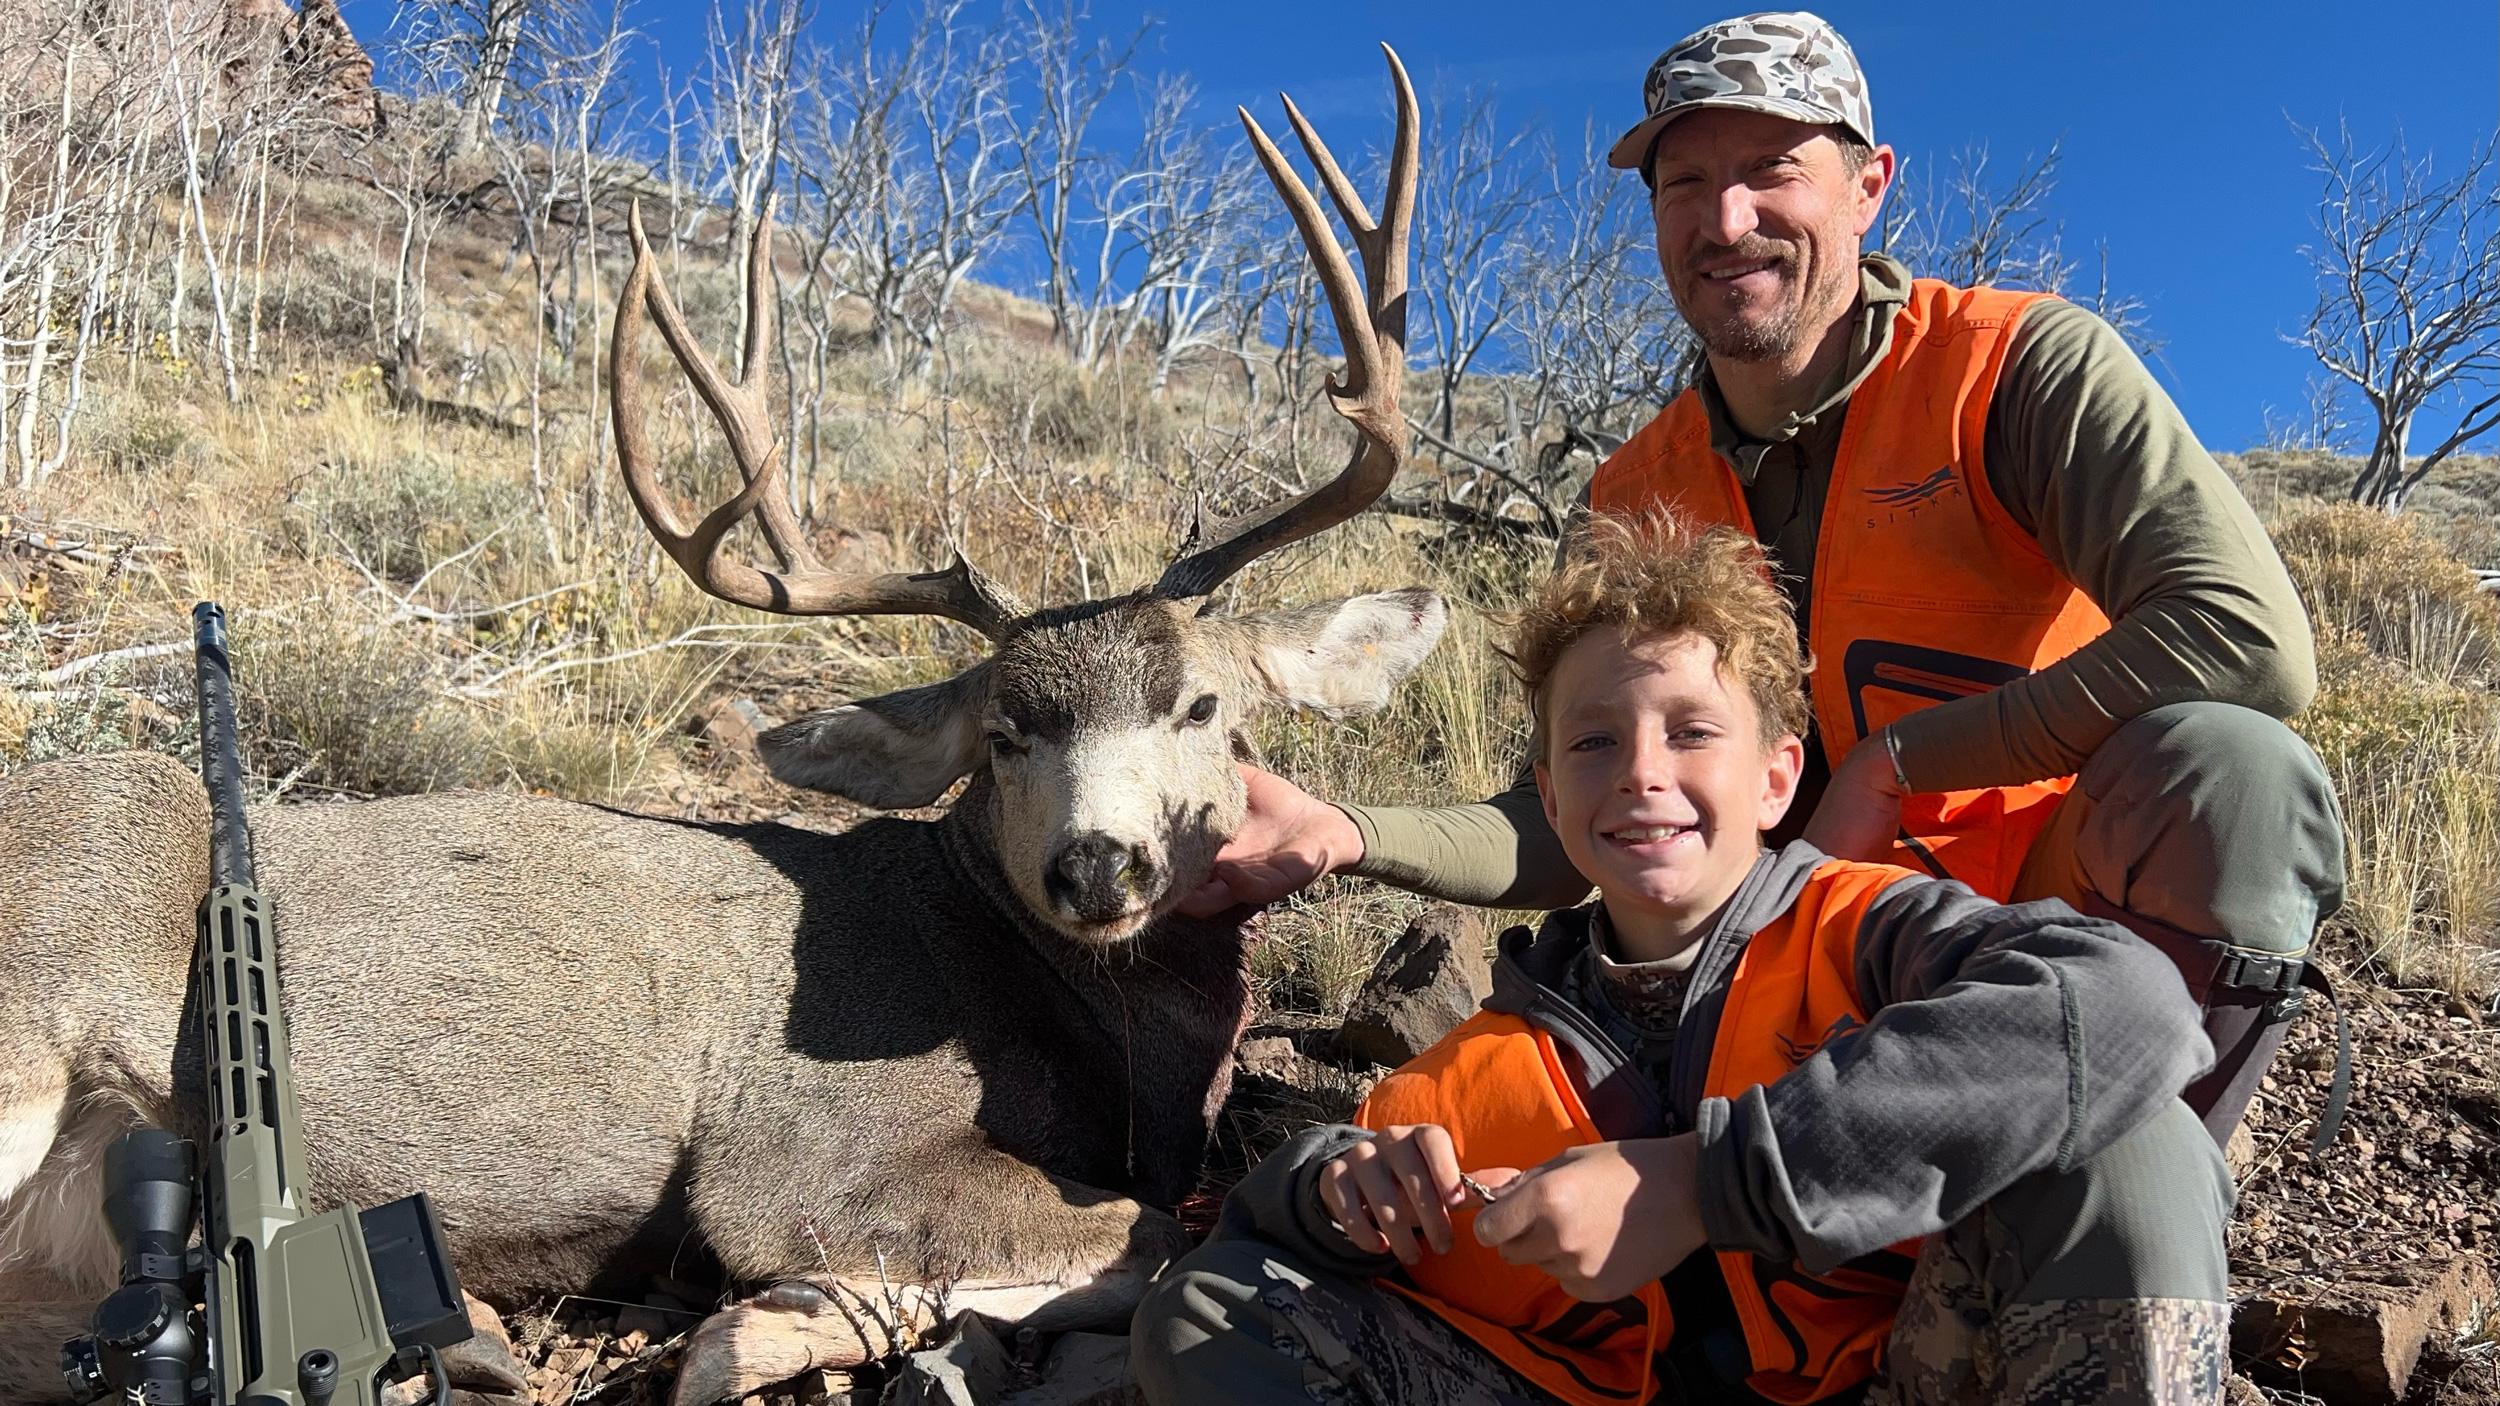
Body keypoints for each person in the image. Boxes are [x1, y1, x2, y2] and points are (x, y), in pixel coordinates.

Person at [1192, 11, 2345, 1142]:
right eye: (1682, 185)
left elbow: (2247, 636)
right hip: (1787, 976)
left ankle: (2116, 1186)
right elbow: (1565, 822)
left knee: (2236, 772)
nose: (1724, 220)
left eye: (1770, 171)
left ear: (1868, 184)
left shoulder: (2016, 370)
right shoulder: (1634, 492)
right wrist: (1344, 830)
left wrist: (1900, 764)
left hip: (2040, 936)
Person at [1134, 514, 2233, 1406]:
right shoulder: (1490, 1052)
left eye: (1692, 731)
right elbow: (1273, 1220)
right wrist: (1335, 1187)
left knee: (2136, 1142)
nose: (1641, 772)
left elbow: (2127, 1003)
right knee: (1211, 1310)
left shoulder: (1865, 929)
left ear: (1775, 779)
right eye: (1594, 739)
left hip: (1899, 1375)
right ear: (1552, 798)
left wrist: (1707, 1185)